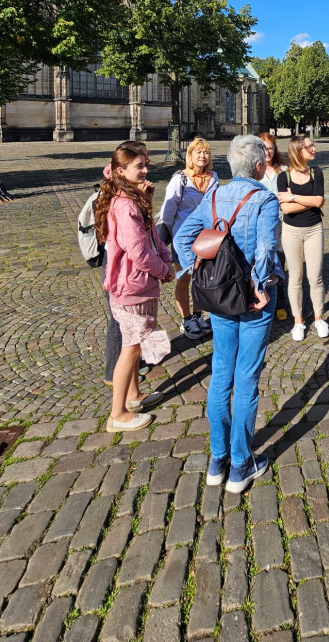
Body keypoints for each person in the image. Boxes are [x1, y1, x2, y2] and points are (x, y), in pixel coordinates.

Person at [174, 135, 282, 492]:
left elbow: (182, 238)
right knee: (246, 377)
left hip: (220, 295)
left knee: (221, 373)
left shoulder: (215, 195)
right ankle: (240, 464)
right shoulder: (264, 199)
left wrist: (198, 272)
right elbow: (266, 249)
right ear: (259, 166)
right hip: (252, 298)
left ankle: (217, 460)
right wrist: (260, 285)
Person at [96, 142, 175, 433]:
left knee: (134, 343)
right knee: (130, 349)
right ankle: (117, 414)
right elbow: (139, 252)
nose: (145, 171)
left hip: (133, 283)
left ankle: (133, 396)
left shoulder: (131, 196)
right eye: (139, 166)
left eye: (145, 165)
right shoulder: (125, 204)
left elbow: (151, 235)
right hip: (132, 285)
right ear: (121, 171)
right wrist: (163, 270)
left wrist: (146, 202)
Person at [157, 137, 218, 341]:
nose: (202, 156)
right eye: (198, 152)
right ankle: (186, 319)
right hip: (183, 238)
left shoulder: (214, 177)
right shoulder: (180, 179)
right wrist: (178, 231)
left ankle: (198, 315)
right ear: (190, 156)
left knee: (201, 278)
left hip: (206, 237)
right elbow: (167, 212)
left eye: (206, 152)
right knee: (184, 278)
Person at [277, 135, 328, 341]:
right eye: (309, 146)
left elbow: (319, 201)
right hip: (291, 231)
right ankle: (298, 321)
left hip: (314, 229)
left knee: (315, 277)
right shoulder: (284, 177)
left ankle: (319, 318)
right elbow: (286, 209)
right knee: (295, 277)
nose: (313, 149)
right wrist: (310, 201)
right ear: (298, 151)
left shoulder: (317, 173)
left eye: (313, 145)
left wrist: (293, 197)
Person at [260, 132, 289, 322]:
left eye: (270, 148)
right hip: (261, 224)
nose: (268, 152)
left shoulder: (283, 170)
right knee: (262, 262)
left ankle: (280, 303)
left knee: (279, 262)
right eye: (264, 149)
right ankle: (261, 296)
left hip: (281, 223)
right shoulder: (255, 171)